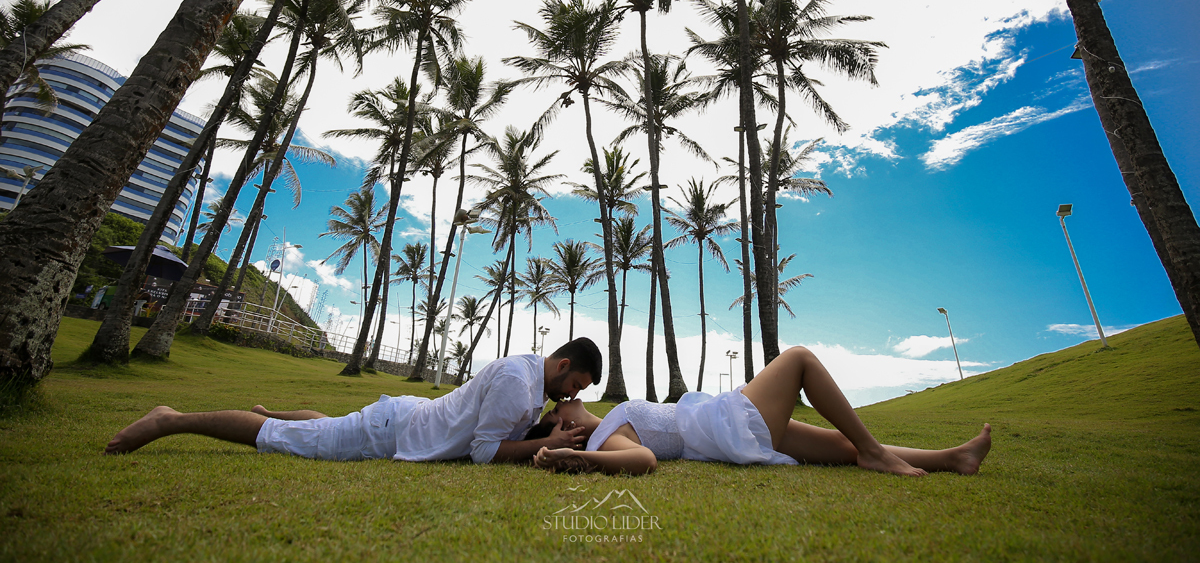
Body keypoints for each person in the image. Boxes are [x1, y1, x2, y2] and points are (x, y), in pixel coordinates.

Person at [105, 337, 602, 464]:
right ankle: (170, 419)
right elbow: (483, 451)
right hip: (394, 430)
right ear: (562, 366)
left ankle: (266, 410)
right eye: (576, 385)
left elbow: (499, 433)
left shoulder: (530, 380)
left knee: (329, 423)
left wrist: (546, 434)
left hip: (404, 417)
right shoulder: (520, 381)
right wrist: (544, 448)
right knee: (284, 440)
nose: (573, 397)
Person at [529, 345, 991, 476]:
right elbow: (644, 460)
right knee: (799, 358)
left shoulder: (607, 425)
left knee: (839, 446)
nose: (566, 400)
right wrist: (575, 456)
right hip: (724, 425)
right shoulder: (606, 435)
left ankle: (952, 458)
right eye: (559, 407)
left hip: (726, 421)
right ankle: (876, 451)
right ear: (560, 428)